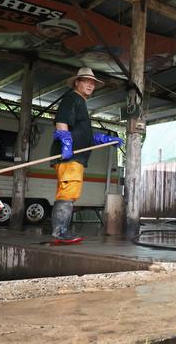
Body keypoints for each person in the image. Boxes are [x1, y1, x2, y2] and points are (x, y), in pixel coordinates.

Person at [49, 67, 123, 243]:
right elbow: (61, 121)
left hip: (75, 157)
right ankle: (60, 233)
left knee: (69, 192)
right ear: (77, 82)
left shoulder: (80, 102)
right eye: (86, 81)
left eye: (93, 83)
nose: (90, 84)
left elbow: (81, 133)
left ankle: (61, 232)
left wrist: (100, 139)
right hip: (70, 156)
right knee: (68, 192)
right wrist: (66, 144)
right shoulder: (72, 98)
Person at [0, 18, 80, 58]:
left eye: (65, 34)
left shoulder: (67, 52)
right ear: (40, 27)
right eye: (53, 30)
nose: (58, 35)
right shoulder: (12, 38)